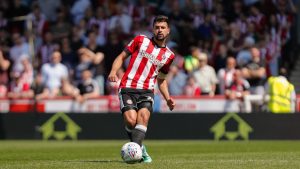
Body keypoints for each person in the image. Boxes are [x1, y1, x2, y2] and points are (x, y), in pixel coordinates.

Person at [108, 15, 175, 163]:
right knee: (131, 121)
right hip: (127, 86)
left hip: (147, 90)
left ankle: (135, 154)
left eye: (163, 27)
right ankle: (141, 149)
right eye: (157, 27)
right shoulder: (140, 40)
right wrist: (113, 71)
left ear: (168, 31)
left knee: (143, 118)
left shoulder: (169, 56)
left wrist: (168, 98)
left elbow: (162, 79)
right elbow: (121, 56)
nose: (159, 30)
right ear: (153, 29)